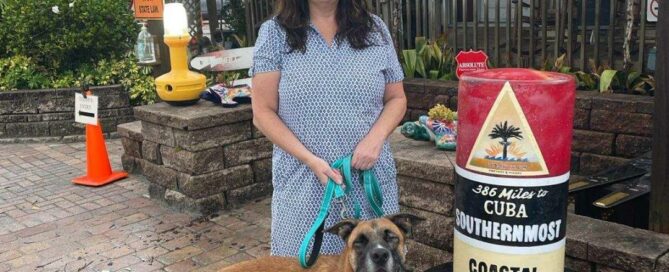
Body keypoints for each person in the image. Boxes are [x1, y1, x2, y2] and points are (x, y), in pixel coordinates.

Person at [250, 0, 407, 257]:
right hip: (304, 186)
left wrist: (376, 139)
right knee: (304, 264)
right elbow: (263, 112)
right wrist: (310, 160)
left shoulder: (375, 30)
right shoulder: (275, 34)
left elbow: (397, 98)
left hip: (368, 182)